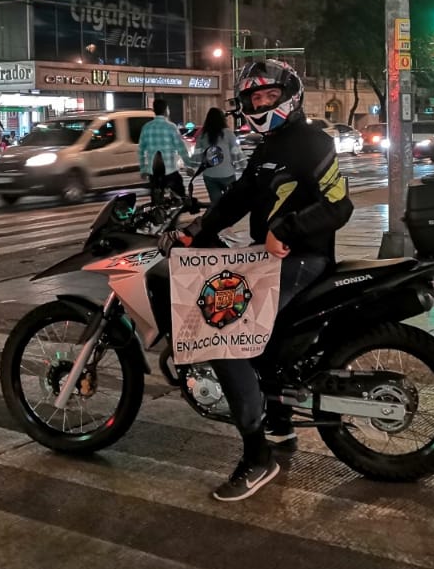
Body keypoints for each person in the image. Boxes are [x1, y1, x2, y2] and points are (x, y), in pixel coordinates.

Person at [168, 60, 353, 502]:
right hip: (271, 260)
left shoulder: (312, 142)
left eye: (269, 96)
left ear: (288, 95)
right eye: (255, 98)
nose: (262, 103)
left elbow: (339, 205)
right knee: (256, 339)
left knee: (222, 335)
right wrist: (197, 228)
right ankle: (280, 422)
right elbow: (240, 196)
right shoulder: (267, 147)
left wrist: (285, 230)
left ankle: (257, 457)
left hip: (304, 260)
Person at [137, 97, 191, 198]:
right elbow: (181, 148)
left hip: (153, 172)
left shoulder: (146, 127)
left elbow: (141, 150)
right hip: (170, 170)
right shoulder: (171, 127)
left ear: (154, 111)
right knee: (181, 197)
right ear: (166, 110)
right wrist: (189, 165)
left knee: (156, 201)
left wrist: (143, 169)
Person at [192, 106, 242, 204]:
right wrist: (243, 166)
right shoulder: (228, 133)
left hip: (209, 175)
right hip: (227, 174)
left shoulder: (202, 135)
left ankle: (219, 218)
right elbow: (237, 153)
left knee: (216, 205)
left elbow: (197, 156)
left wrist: (192, 168)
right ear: (222, 119)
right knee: (231, 202)